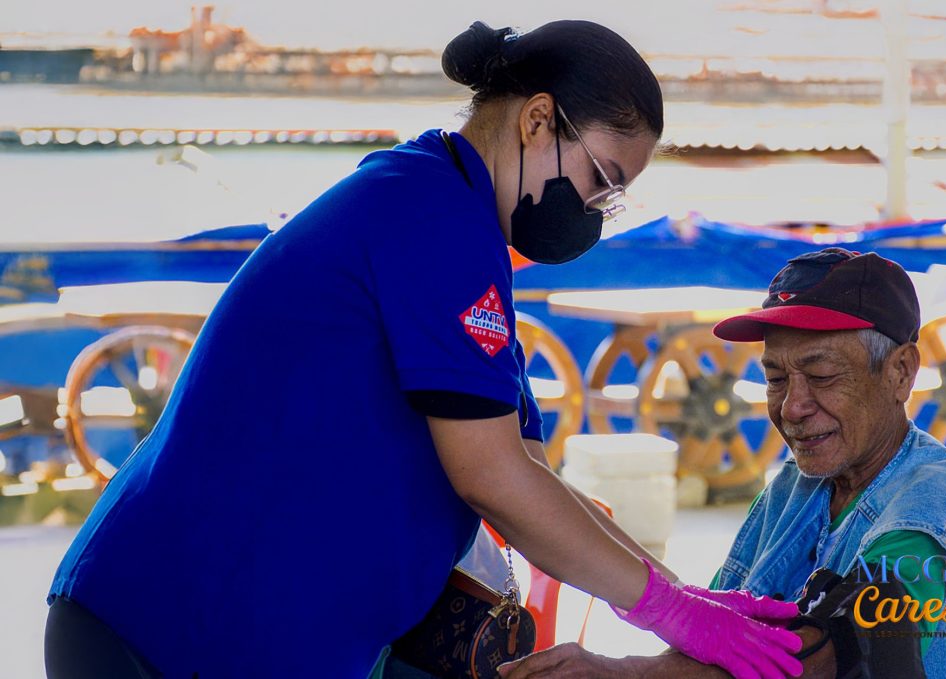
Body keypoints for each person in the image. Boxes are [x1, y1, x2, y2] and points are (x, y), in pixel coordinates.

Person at [44, 19, 803, 679]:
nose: (595, 213)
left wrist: (681, 594)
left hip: (247, 627)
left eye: (613, 200)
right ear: (539, 120)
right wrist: (670, 611)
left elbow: (528, 469)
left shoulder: (456, 215)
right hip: (171, 628)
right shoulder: (434, 221)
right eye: (600, 180)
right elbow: (493, 478)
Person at [497, 249, 946, 679]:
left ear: (901, 372)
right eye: (776, 379)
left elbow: (825, 661)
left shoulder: (923, 517)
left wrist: (624, 672)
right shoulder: (796, 485)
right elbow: (712, 633)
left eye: (821, 375)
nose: (792, 407)